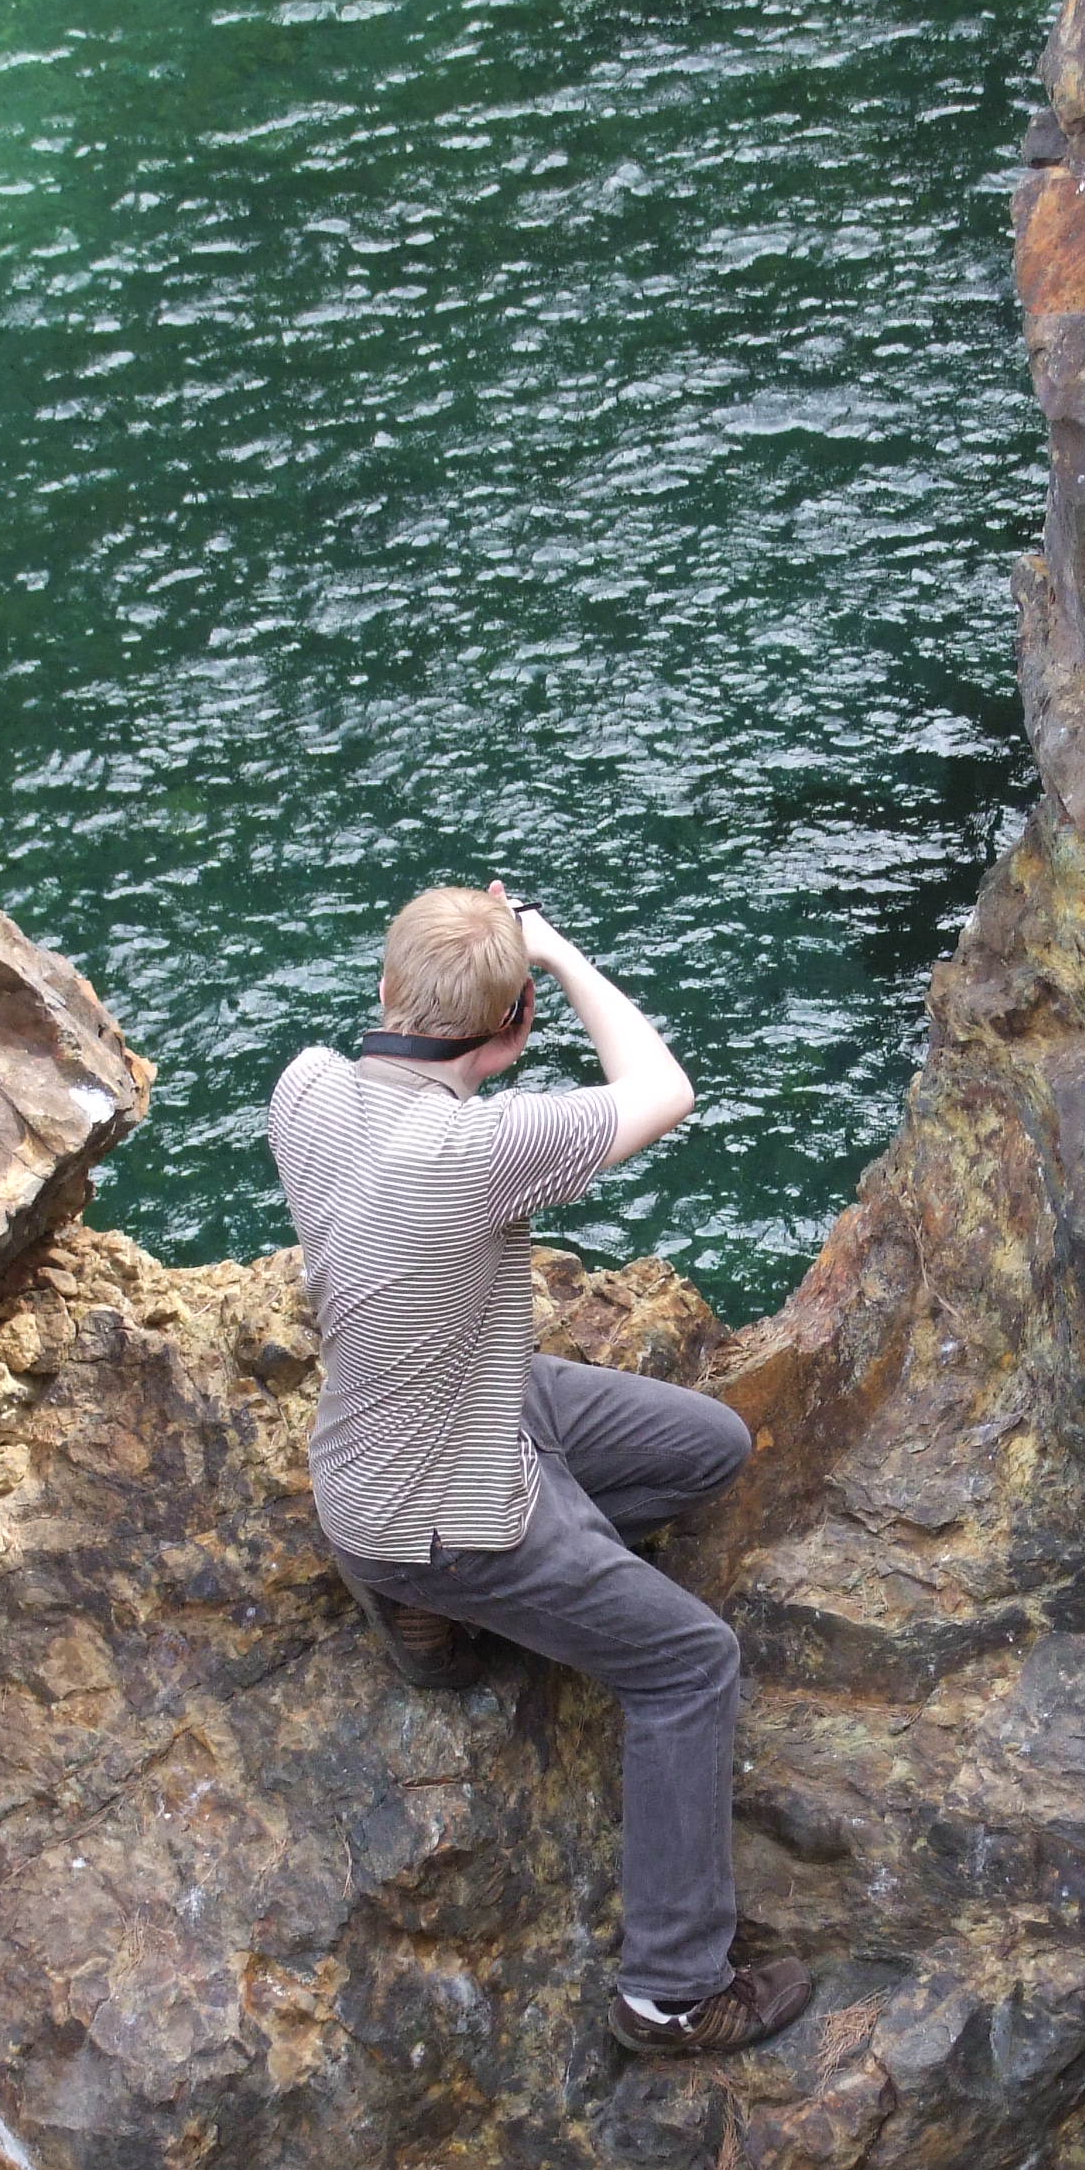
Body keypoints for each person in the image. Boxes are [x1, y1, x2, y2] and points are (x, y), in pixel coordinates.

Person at [267, 882, 813, 2058]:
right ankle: (671, 1992)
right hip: (451, 1505)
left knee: (709, 1446)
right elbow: (662, 1088)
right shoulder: (478, 1148)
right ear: (512, 1028)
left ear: (384, 988)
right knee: (690, 1664)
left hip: (408, 1432)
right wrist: (556, 954)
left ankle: (429, 1604)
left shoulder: (305, 1086)